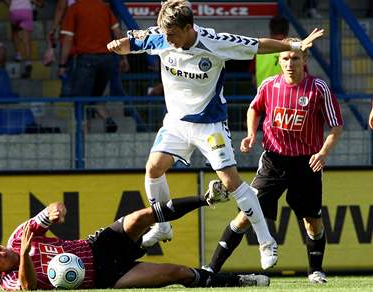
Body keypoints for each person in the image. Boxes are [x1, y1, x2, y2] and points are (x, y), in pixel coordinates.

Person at [107, 0, 323, 270]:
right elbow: (132, 44)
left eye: (173, 34)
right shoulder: (161, 37)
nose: (169, 39)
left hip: (209, 124)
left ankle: (266, 241)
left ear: (189, 28)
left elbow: (258, 44)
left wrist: (293, 45)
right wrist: (119, 47)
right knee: (153, 169)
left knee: (231, 182)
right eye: (166, 34)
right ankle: (162, 226)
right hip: (175, 123)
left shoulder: (215, 42)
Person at [203, 37, 343, 284]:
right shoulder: (268, 85)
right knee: (246, 214)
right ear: (279, 60)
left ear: (305, 60)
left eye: (295, 58)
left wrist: (322, 153)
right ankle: (211, 268)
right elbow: (254, 109)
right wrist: (250, 134)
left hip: (306, 163)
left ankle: (315, 271)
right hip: (273, 161)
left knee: (312, 221)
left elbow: (336, 126)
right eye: (286, 58)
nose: (290, 63)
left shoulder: (318, 88)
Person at [0, 186, 270, 290]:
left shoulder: (20, 236)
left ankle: (207, 199)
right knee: (176, 273)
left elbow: (48, 212)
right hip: (105, 276)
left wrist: (55, 211)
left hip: (94, 245)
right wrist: (25, 257)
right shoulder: (8, 282)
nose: (1, 251)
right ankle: (240, 281)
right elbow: (29, 287)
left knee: (141, 216)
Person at [59, 0, 129, 133]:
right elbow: (117, 33)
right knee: (95, 95)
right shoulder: (104, 8)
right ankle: (107, 119)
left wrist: (62, 64)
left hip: (86, 59)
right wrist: (123, 57)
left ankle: (82, 138)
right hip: (107, 60)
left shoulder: (75, 8)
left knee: (80, 100)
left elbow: (68, 39)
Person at [250, 15, 289, 88]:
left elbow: (254, 80)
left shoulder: (260, 49)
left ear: (271, 30)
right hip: (287, 96)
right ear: (287, 31)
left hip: (264, 95)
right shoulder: (294, 51)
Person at [4, 0, 33, 78]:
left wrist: (10, 4)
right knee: (26, 39)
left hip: (14, 10)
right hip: (27, 11)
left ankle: (18, 54)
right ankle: (28, 61)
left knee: (15, 32)